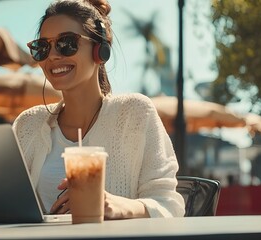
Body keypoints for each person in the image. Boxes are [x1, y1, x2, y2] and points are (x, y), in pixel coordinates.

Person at [12, 0, 185, 219]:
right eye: (43, 47)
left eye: (67, 43)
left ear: (99, 49)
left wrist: (118, 206)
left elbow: (170, 206)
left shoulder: (134, 113)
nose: (54, 56)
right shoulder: (28, 124)